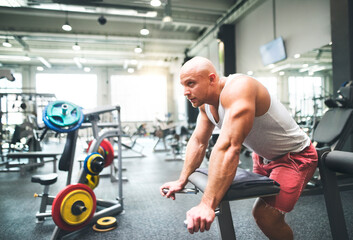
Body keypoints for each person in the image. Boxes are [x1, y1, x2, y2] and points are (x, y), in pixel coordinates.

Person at [159, 56, 318, 239]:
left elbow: (228, 147)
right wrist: (182, 179)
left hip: (295, 157)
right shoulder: (205, 106)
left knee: (266, 216)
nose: (186, 92)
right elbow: (198, 141)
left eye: (191, 83)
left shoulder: (239, 88)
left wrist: (206, 204)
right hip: (261, 156)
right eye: (183, 85)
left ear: (211, 79)